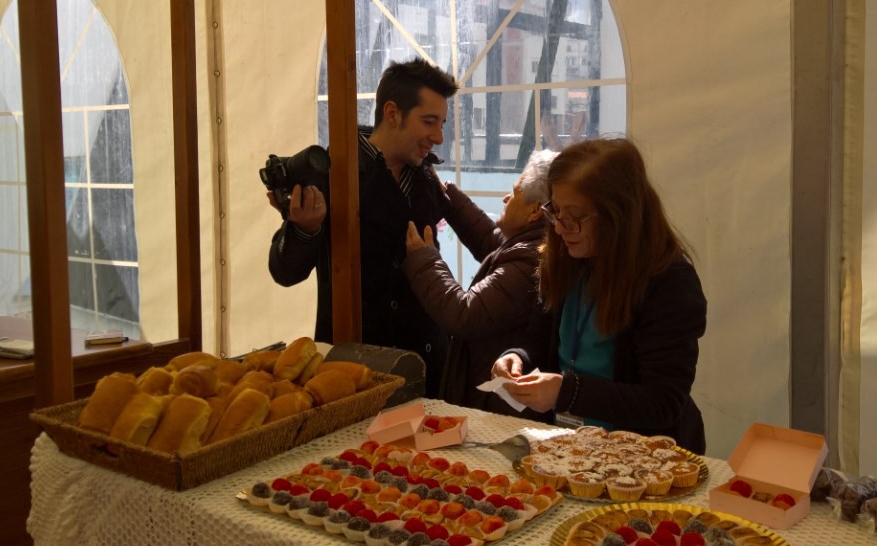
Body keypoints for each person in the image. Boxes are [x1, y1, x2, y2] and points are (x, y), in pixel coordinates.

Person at [491, 138, 708, 453]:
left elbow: (663, 402)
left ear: (619, 216)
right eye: (556, 210)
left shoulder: (669, 283)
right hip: (567, 447)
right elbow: (539, 340)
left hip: (641, 456)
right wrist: (518, 358)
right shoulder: (564, 258)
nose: (561, 227)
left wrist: (567, 392)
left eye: (575, 216)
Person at [268, 58, 456, 397]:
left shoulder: (425, 176)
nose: (439, 137)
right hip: (361, 369)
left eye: (442, 123)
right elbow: (284, 271)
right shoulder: (335, 172)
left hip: (428, 362)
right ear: (392, 113)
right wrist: (305, 229)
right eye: (429, 121)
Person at [402, 149, 557, 411]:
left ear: (534, 212)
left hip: (495, 405)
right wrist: (447, 195)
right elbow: (489, 240)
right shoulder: (531, 244)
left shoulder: (531, 260)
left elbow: (464, 314)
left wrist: (424, 260)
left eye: (515, 192)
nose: (507, 197)